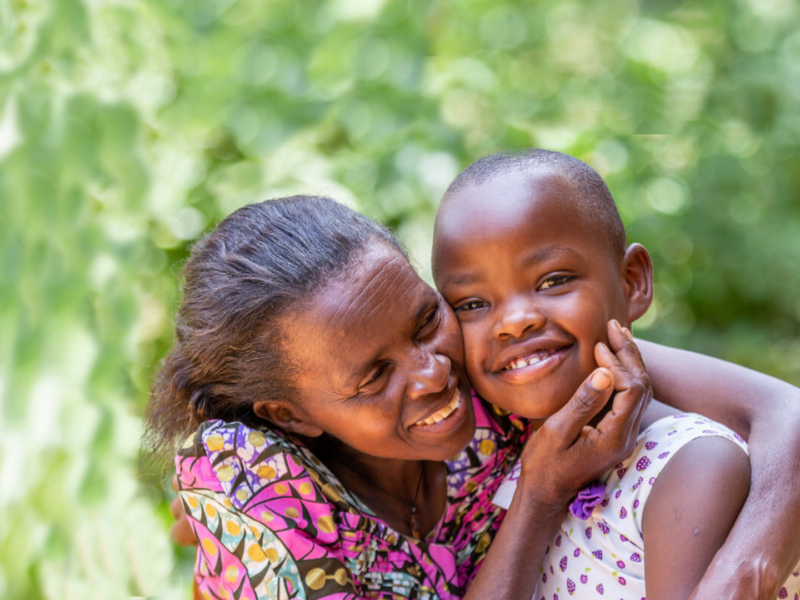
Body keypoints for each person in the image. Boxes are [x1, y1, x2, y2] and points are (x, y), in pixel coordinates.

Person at [154, 196, 800, 600]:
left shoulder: (490, 356)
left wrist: (744, 571)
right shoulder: (256, 484)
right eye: (375, 376)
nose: (434, 374)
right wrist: (541, 493)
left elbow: (784, 411)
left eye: (425, 320)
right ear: (290, 414)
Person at [431, 148, 800, 600]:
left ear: (631, 282)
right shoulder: (504, 459)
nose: (514, 321)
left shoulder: (689, 465)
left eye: (553, 281)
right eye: (472, 304)